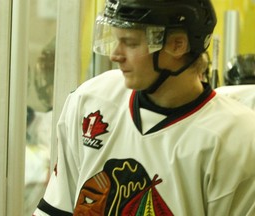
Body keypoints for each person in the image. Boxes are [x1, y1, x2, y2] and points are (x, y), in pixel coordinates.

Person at [34, 0, 255, 215]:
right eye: (115, 39)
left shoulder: (238, 139)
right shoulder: (90, 101)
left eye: (130, 43)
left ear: (177, 44)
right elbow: (57, 208)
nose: (115, 55)